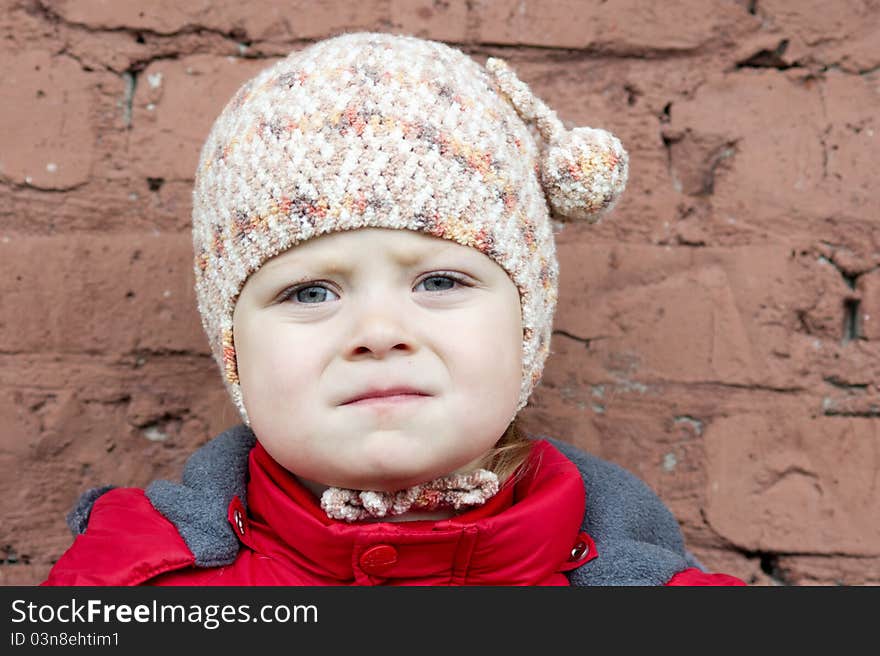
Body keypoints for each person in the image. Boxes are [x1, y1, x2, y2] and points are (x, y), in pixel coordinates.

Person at [43, 31, 745, 586]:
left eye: (439, 282)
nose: (378, 334)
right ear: (232, 349)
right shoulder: (123, 589)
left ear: (528, 330)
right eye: (310, 292)